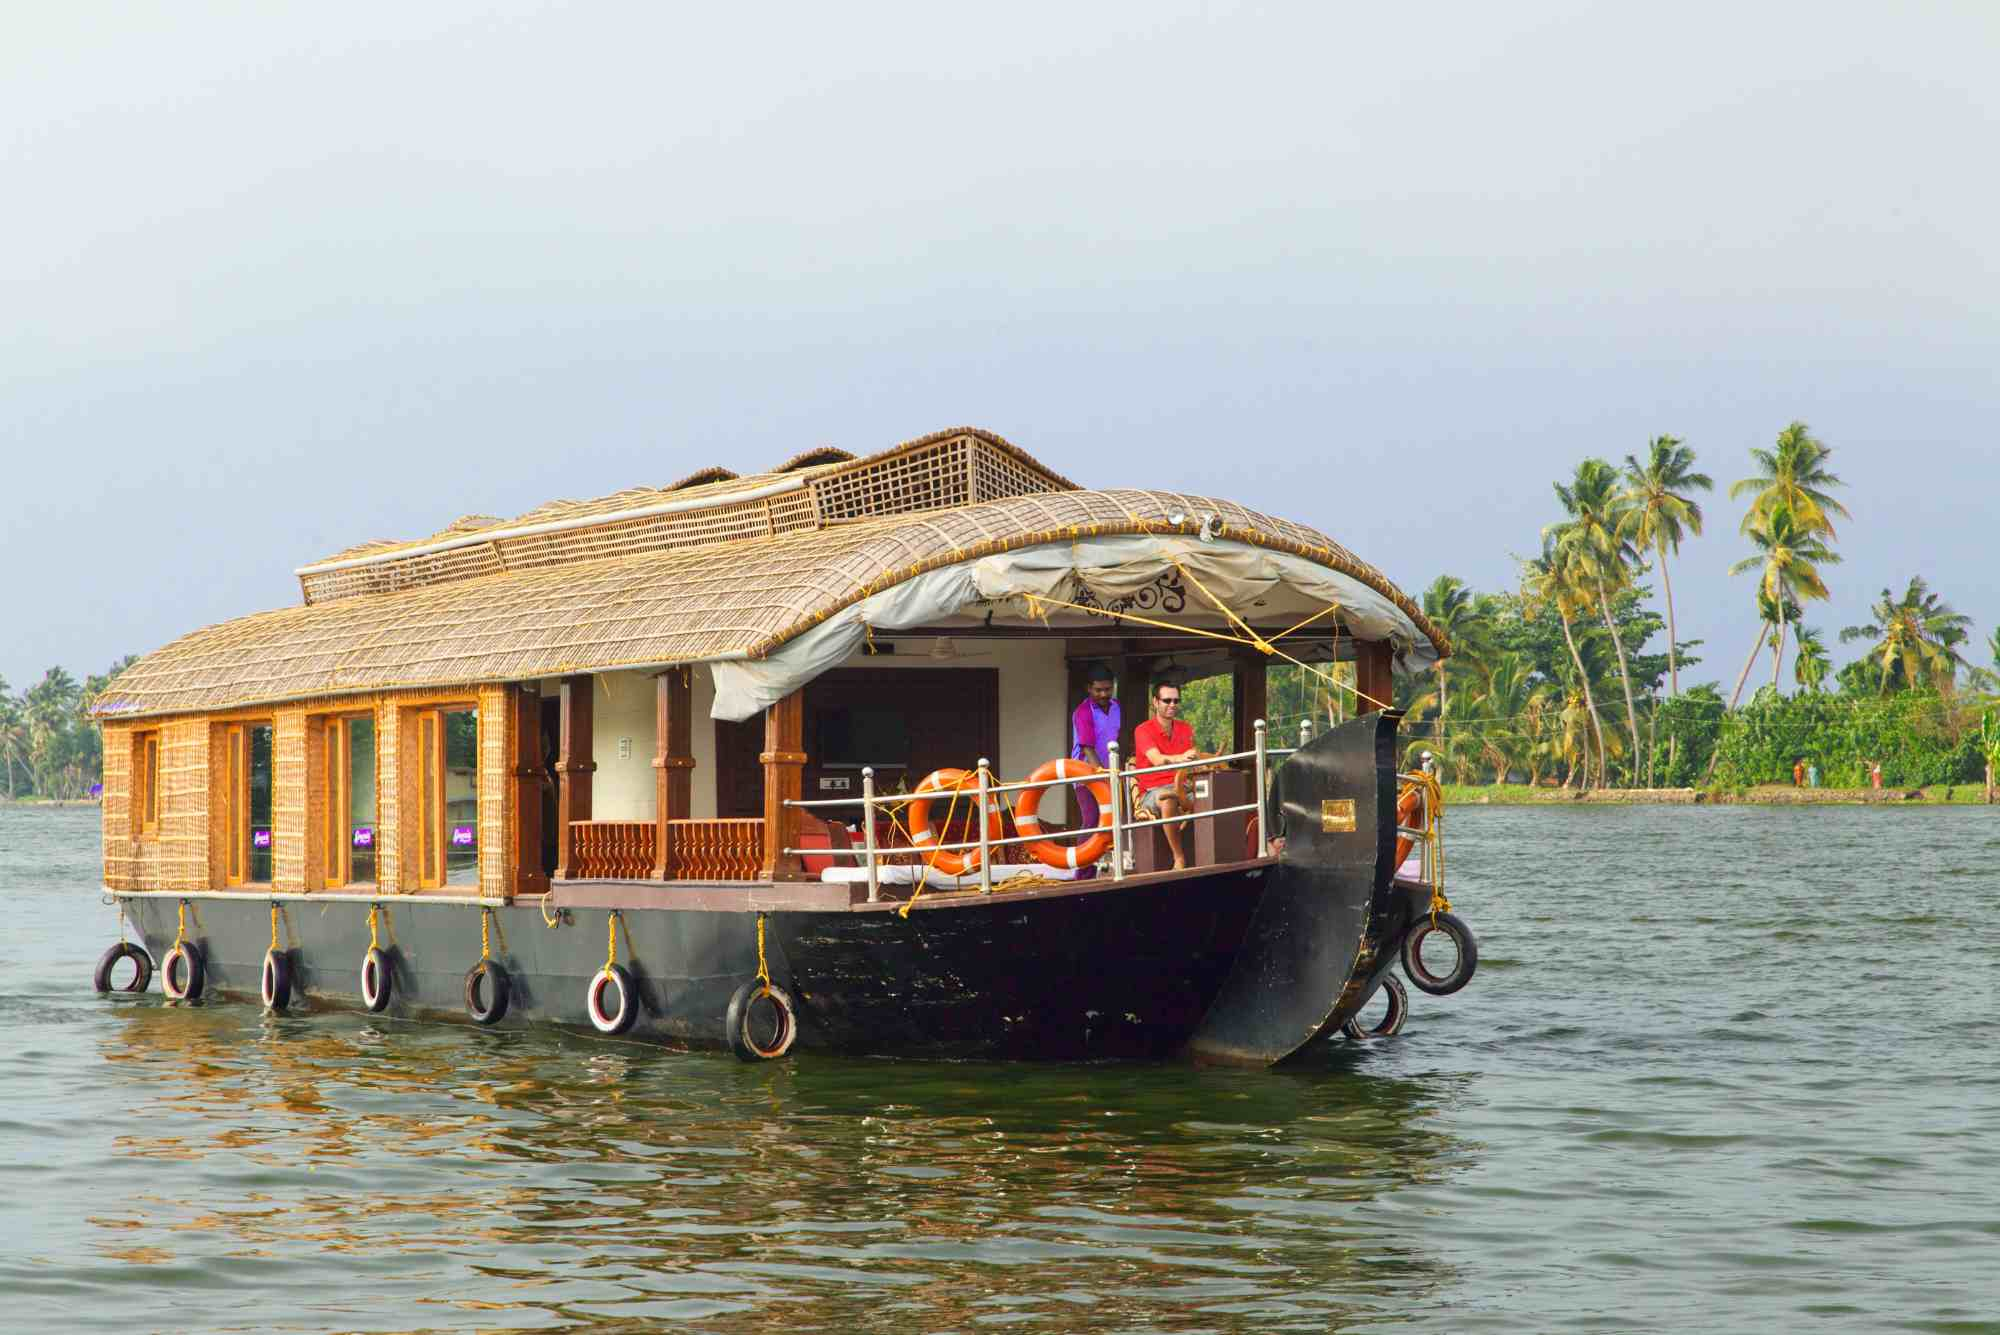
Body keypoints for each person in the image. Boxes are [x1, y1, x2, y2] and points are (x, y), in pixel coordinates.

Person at [1133, 680, 1200, 870]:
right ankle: (1179, 858)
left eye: (1176, 701)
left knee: (1212, 794)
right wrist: (1182, 757)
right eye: (1167, 700)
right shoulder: (1142, 730)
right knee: (1167, 798)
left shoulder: (1185, 728)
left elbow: (1193, 761)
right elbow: (1156, 760)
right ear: (1155, 702)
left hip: (1183, 787)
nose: (1172, 705)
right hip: (1153, 792)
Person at [1070, 662, 1120, 767]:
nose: (1104, 694)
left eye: (1107, 689)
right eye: (1098, 690)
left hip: (1111, 771)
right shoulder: (1084, 712)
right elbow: (1088, 749)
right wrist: (1104, 778)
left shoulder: (1117, 706)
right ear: (1089, 688)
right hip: (1086, 774)